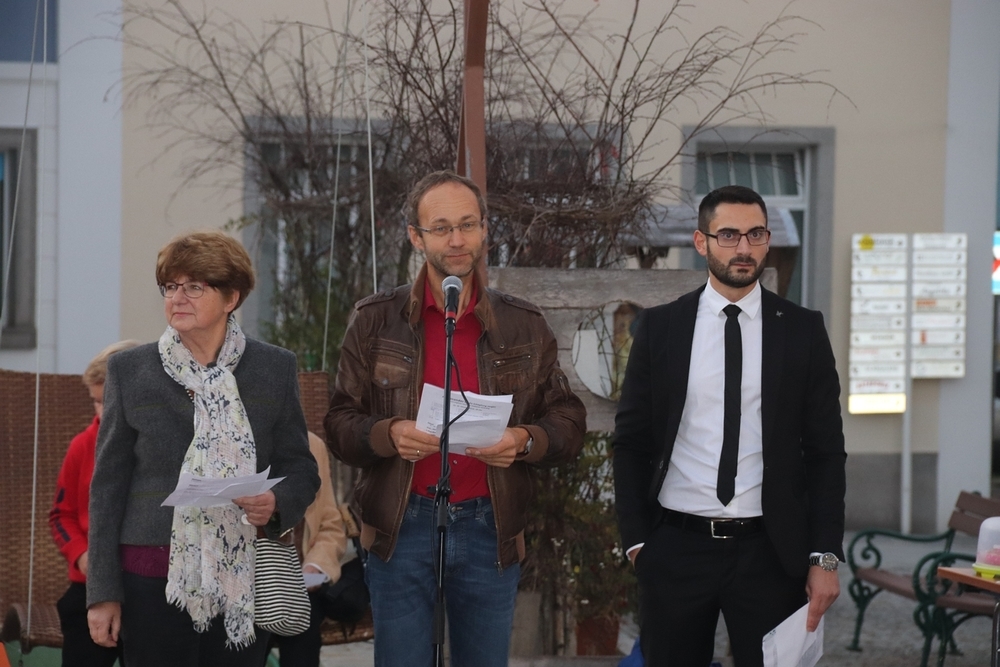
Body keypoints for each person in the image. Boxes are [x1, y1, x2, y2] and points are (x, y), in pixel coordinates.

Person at [325, 170, 587, 667]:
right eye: (441, 228)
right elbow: (338, 423)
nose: (457, 240)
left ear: (485, 229)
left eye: (468, 225)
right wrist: (387, 434)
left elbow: (568, 420)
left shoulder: (523, 324)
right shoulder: (375, 320)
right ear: (416, 236)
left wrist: (524, 440)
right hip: (401, 526)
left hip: (490, 525)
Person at [613, 185, 846, 667]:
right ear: (701, 242)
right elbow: (632, 441)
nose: (744, 247)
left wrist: (824, 557)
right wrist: (637, 543)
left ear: (767, 240)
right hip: (676, 548)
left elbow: (825, 452)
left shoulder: (802, 330)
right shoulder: (661, 328)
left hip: (771, 551)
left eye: (756, 234)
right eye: (729, 235)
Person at [86, 231, 320, 667]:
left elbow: (300, 467)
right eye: (170, 286)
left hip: (240, 572)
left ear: (231, 297)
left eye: (194, 287)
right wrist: (102, 593)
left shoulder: (274, 367)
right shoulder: (129, 370)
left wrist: (276, 501)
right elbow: (107, 487)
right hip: (149, 576)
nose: (178, 298)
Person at [49, 339, 139, 667]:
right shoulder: (82, 445)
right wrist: (81, 555)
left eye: (108, 402)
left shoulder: (159, 448)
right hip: (90, 585)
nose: (101, 412)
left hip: (146, 585)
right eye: (96, 402)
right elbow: (60, 516)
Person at [268, 432, 348, 667]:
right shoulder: (228, 443)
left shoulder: (312, 445)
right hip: (245, 586)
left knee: (303, 623)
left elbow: (331, 526)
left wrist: (315, 565)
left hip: (300, 584)